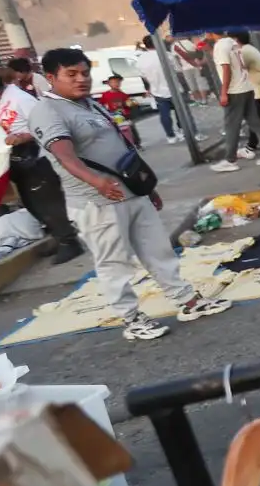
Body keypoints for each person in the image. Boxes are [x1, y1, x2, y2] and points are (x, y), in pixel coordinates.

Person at [28, 48, 231, 341]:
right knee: (114, 262)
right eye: (71, 74)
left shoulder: (90, 104)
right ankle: (131, 318)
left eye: (84, 73)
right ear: (50, 78)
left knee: (158, 250)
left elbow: (122, 146)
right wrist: (95, 181)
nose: (81, 79)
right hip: (98, 202)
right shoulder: (47, 111)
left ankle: (188, 301)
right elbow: (65, 157)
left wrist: (146, 188)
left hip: (132, 192)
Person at [0, 65, 82, 263]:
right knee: (33, 203)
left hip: (37, 158)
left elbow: (50, 124)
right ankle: (58, 237)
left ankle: (69, 241)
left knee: (48, 203)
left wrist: (24, 136)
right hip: (19, 162)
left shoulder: (20, 99)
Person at [212, 30, 260, 173]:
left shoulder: (220, 46)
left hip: (235, 90)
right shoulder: (232, 43)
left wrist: (224, 92)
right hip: (246, 87)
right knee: (255, 122)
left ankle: (230, 160)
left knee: (231, 125)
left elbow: (226, 69)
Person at [134, 35, 180, 145]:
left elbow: (144, 77)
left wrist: (149, 87)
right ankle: (183, 131)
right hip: (174, 89)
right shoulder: (166, 55)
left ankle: (170, 136)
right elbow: (178, 69)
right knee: (181, 112)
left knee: (164, 115)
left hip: (157, 91)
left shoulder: (141, 60)